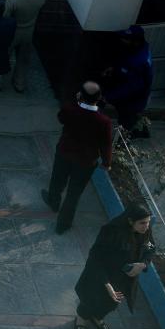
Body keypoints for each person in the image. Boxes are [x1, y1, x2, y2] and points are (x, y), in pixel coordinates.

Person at [73, 203, 155, 329]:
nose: (147, 226)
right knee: (90, 299)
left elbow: (150, 248)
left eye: (148, 222)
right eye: (142, 223)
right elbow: (95, 258)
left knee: (110, 303)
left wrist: (143, 264)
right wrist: (107, 284)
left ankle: (97, 317)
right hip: (101, 276)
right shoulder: (110, 231)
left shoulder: (145, 231)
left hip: (122, 279)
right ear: (130, 221)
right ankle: (82, 319)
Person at [43, 81, 113, 233]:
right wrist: (107, 162)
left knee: (57, 180)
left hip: (64, 153)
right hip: (86, 162)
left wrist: (76, 101)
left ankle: (53, 201)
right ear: (99, 97)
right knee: (74, 194)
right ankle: (63, 225)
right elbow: (106, 144)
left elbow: (61, 118)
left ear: (80, 95)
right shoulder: (104, 121)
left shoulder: (70, 109)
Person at [101, 25, 154, 131]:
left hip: (133, 99)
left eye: (126, 39)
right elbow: (124, 61)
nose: (122, 40)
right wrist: (114, 68)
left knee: (125, 125)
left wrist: (108, 97)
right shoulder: (137, 49)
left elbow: (131, 87)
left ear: (135, 41)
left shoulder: (139, 61)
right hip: (127, 89)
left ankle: (132, 134)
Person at [4, 0, 46, 93]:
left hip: (13, 32)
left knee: (4, 57)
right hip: (29, 32)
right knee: (23, 59)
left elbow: (5, 17)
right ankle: (19, 84)